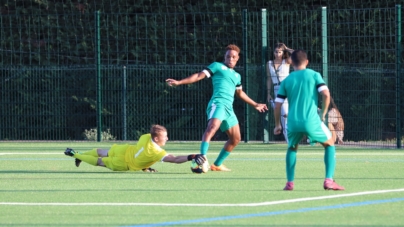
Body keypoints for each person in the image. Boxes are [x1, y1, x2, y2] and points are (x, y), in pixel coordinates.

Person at [166, 44, 268, 171]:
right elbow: (199, 76)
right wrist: (179, 82)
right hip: (218, 104)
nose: (230, 59)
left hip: (229, 109)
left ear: (238, 58)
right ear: (224, 57)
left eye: (233, 57)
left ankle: (217, 165)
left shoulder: (237, 76)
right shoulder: (217, 66)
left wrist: (255, 104)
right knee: (212, 128)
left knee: (236, 139)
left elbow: (240, 93)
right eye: (228, 56)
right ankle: (202, 158)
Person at [273, 49, 344, 190]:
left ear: (291, 62)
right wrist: (323, 113)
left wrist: (277, 124)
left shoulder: (287, 80)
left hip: (292, 122)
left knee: (292, 148)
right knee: (329, 144)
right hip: (311, 121)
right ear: (307, 62)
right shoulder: (314, 75)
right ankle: (329, 180)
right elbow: (326, 94)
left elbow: (278, 104)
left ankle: (290, 183)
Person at [64, 124, 206, 172]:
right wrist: (191, 156)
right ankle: (75, 154)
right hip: (125, 163)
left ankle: (80, 154)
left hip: (125, 150)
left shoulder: (145, 136)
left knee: (101, 151)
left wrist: (145, 167)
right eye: (165, 136)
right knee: (100, 161)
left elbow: (142, 154)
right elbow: (174, 159)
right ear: (156, 139)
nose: (167, 138)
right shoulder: (156, 152)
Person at [266, 43, 294, 143]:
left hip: (287, 88)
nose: (277, 54)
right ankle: (288, 138)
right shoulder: (269, 63)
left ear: (283, 53)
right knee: (282, 114)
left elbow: (297, 55)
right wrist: (268, 93)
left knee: (285, 113)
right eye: (276, 52)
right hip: (276, 88)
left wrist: (287, 48)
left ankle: (290, 137)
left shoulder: (286, 61)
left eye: (280, 52)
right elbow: (269, 79)